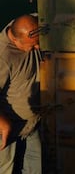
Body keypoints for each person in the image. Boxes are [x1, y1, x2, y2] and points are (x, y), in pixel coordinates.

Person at [0, 14, 42, 173]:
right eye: (32, 46)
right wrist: (2, 122)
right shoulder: (3, 57)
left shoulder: (26, 27)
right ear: (15, 40)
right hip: (6, 130)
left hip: (30, 125)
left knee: (37, 168)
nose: (37, 48)